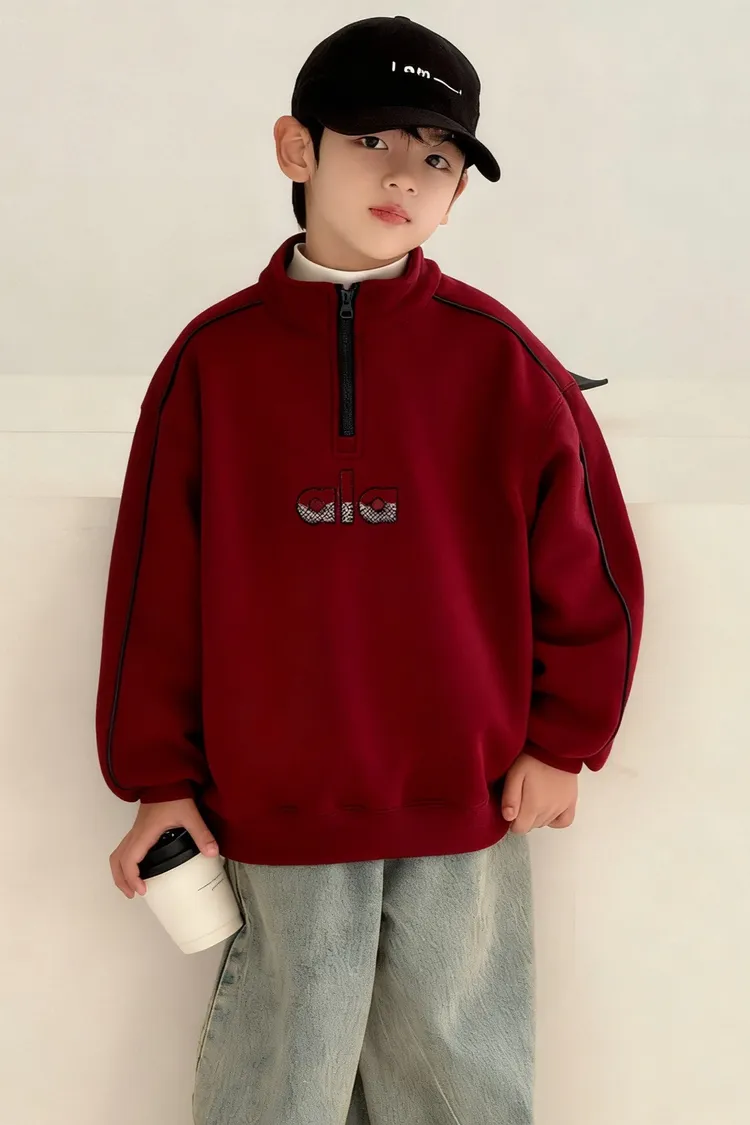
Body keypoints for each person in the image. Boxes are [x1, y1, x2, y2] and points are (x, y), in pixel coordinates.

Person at [96, 15, 645, 1125]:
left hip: (465, 801)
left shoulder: (503, 361)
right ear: (297, 148)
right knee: (279, 1077)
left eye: (436, 156)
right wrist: (160, 777)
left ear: (459, 192)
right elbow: (156, 585)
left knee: (456, 1075)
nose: (404, 174)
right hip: (275, 800)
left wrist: (564, 740)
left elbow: (590, 567)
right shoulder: (214, 363)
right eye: (374, 140)